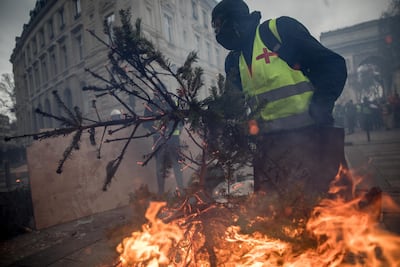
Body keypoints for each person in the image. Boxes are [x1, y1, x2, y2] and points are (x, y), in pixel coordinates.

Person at [211, 0, 352, 216]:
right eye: (214, 28)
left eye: (220, 25)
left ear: (236, 20)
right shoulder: (233, 61)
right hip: (269, 148)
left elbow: (332, 65)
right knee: (276, 216)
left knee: (326, 210)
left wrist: (320, 106)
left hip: (311, 139)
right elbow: (233, 106)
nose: (218, 34)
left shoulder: (278, 31)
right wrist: (210, 115)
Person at [143, 95, 184, 195]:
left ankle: (172, 191)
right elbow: (145, 123)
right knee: (169, 165)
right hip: (164, 140)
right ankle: (173, 192)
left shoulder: (154, 104)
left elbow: (181, 120)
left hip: (166, 140)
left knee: (169, 165)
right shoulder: (167, 103)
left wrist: (156, 130)